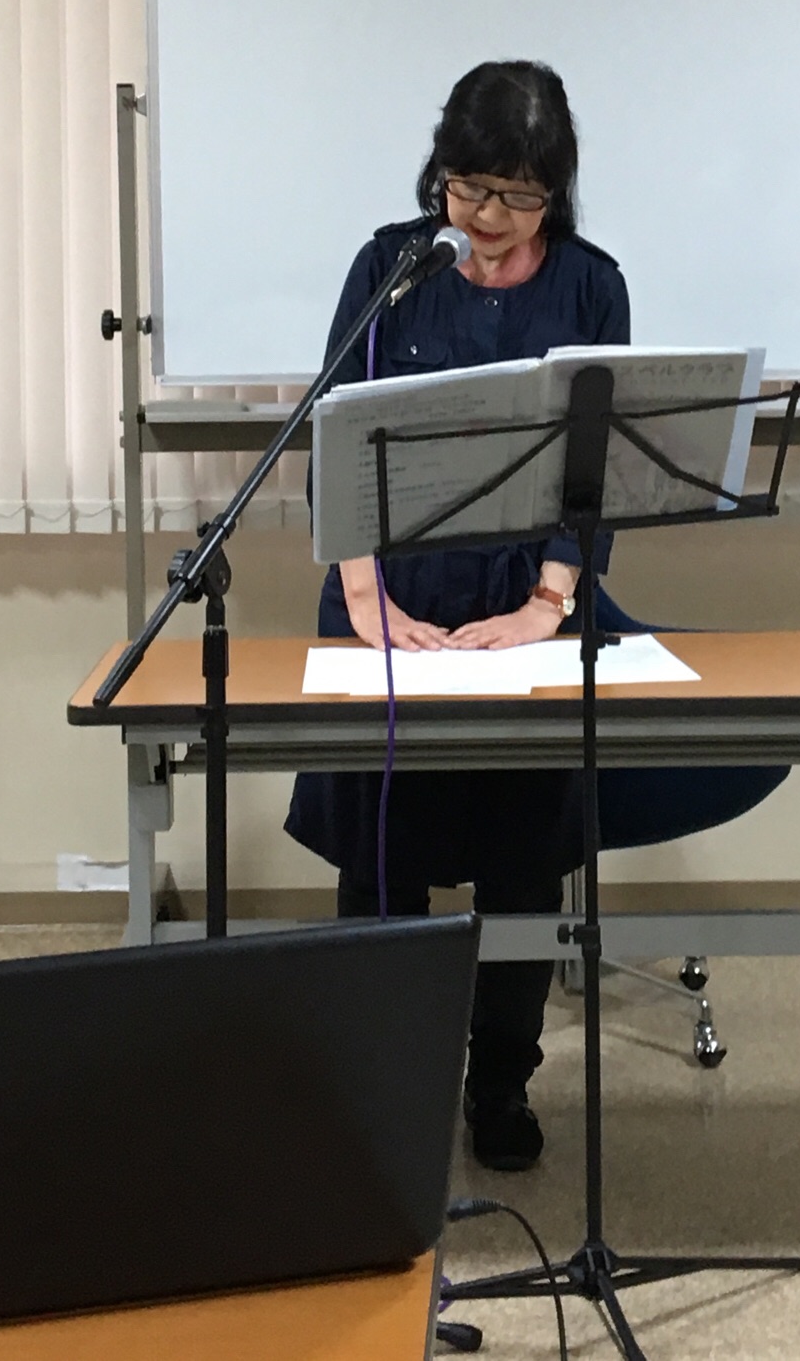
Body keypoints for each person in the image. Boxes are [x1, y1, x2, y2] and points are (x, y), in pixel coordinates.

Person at [285, 58, 629, 1173]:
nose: (486, 217)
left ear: (554, 191)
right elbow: (334, 438)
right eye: (470, 186)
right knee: (383, 864)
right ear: (440, 169)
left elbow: (596, 477)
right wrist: (365, 599)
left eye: (517, 196)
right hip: (387, 606)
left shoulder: (591, 286)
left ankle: (501, 1085)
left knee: (520, 863)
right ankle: (381, 1088)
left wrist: (546, 603)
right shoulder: (392, 269)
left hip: (518, 613)